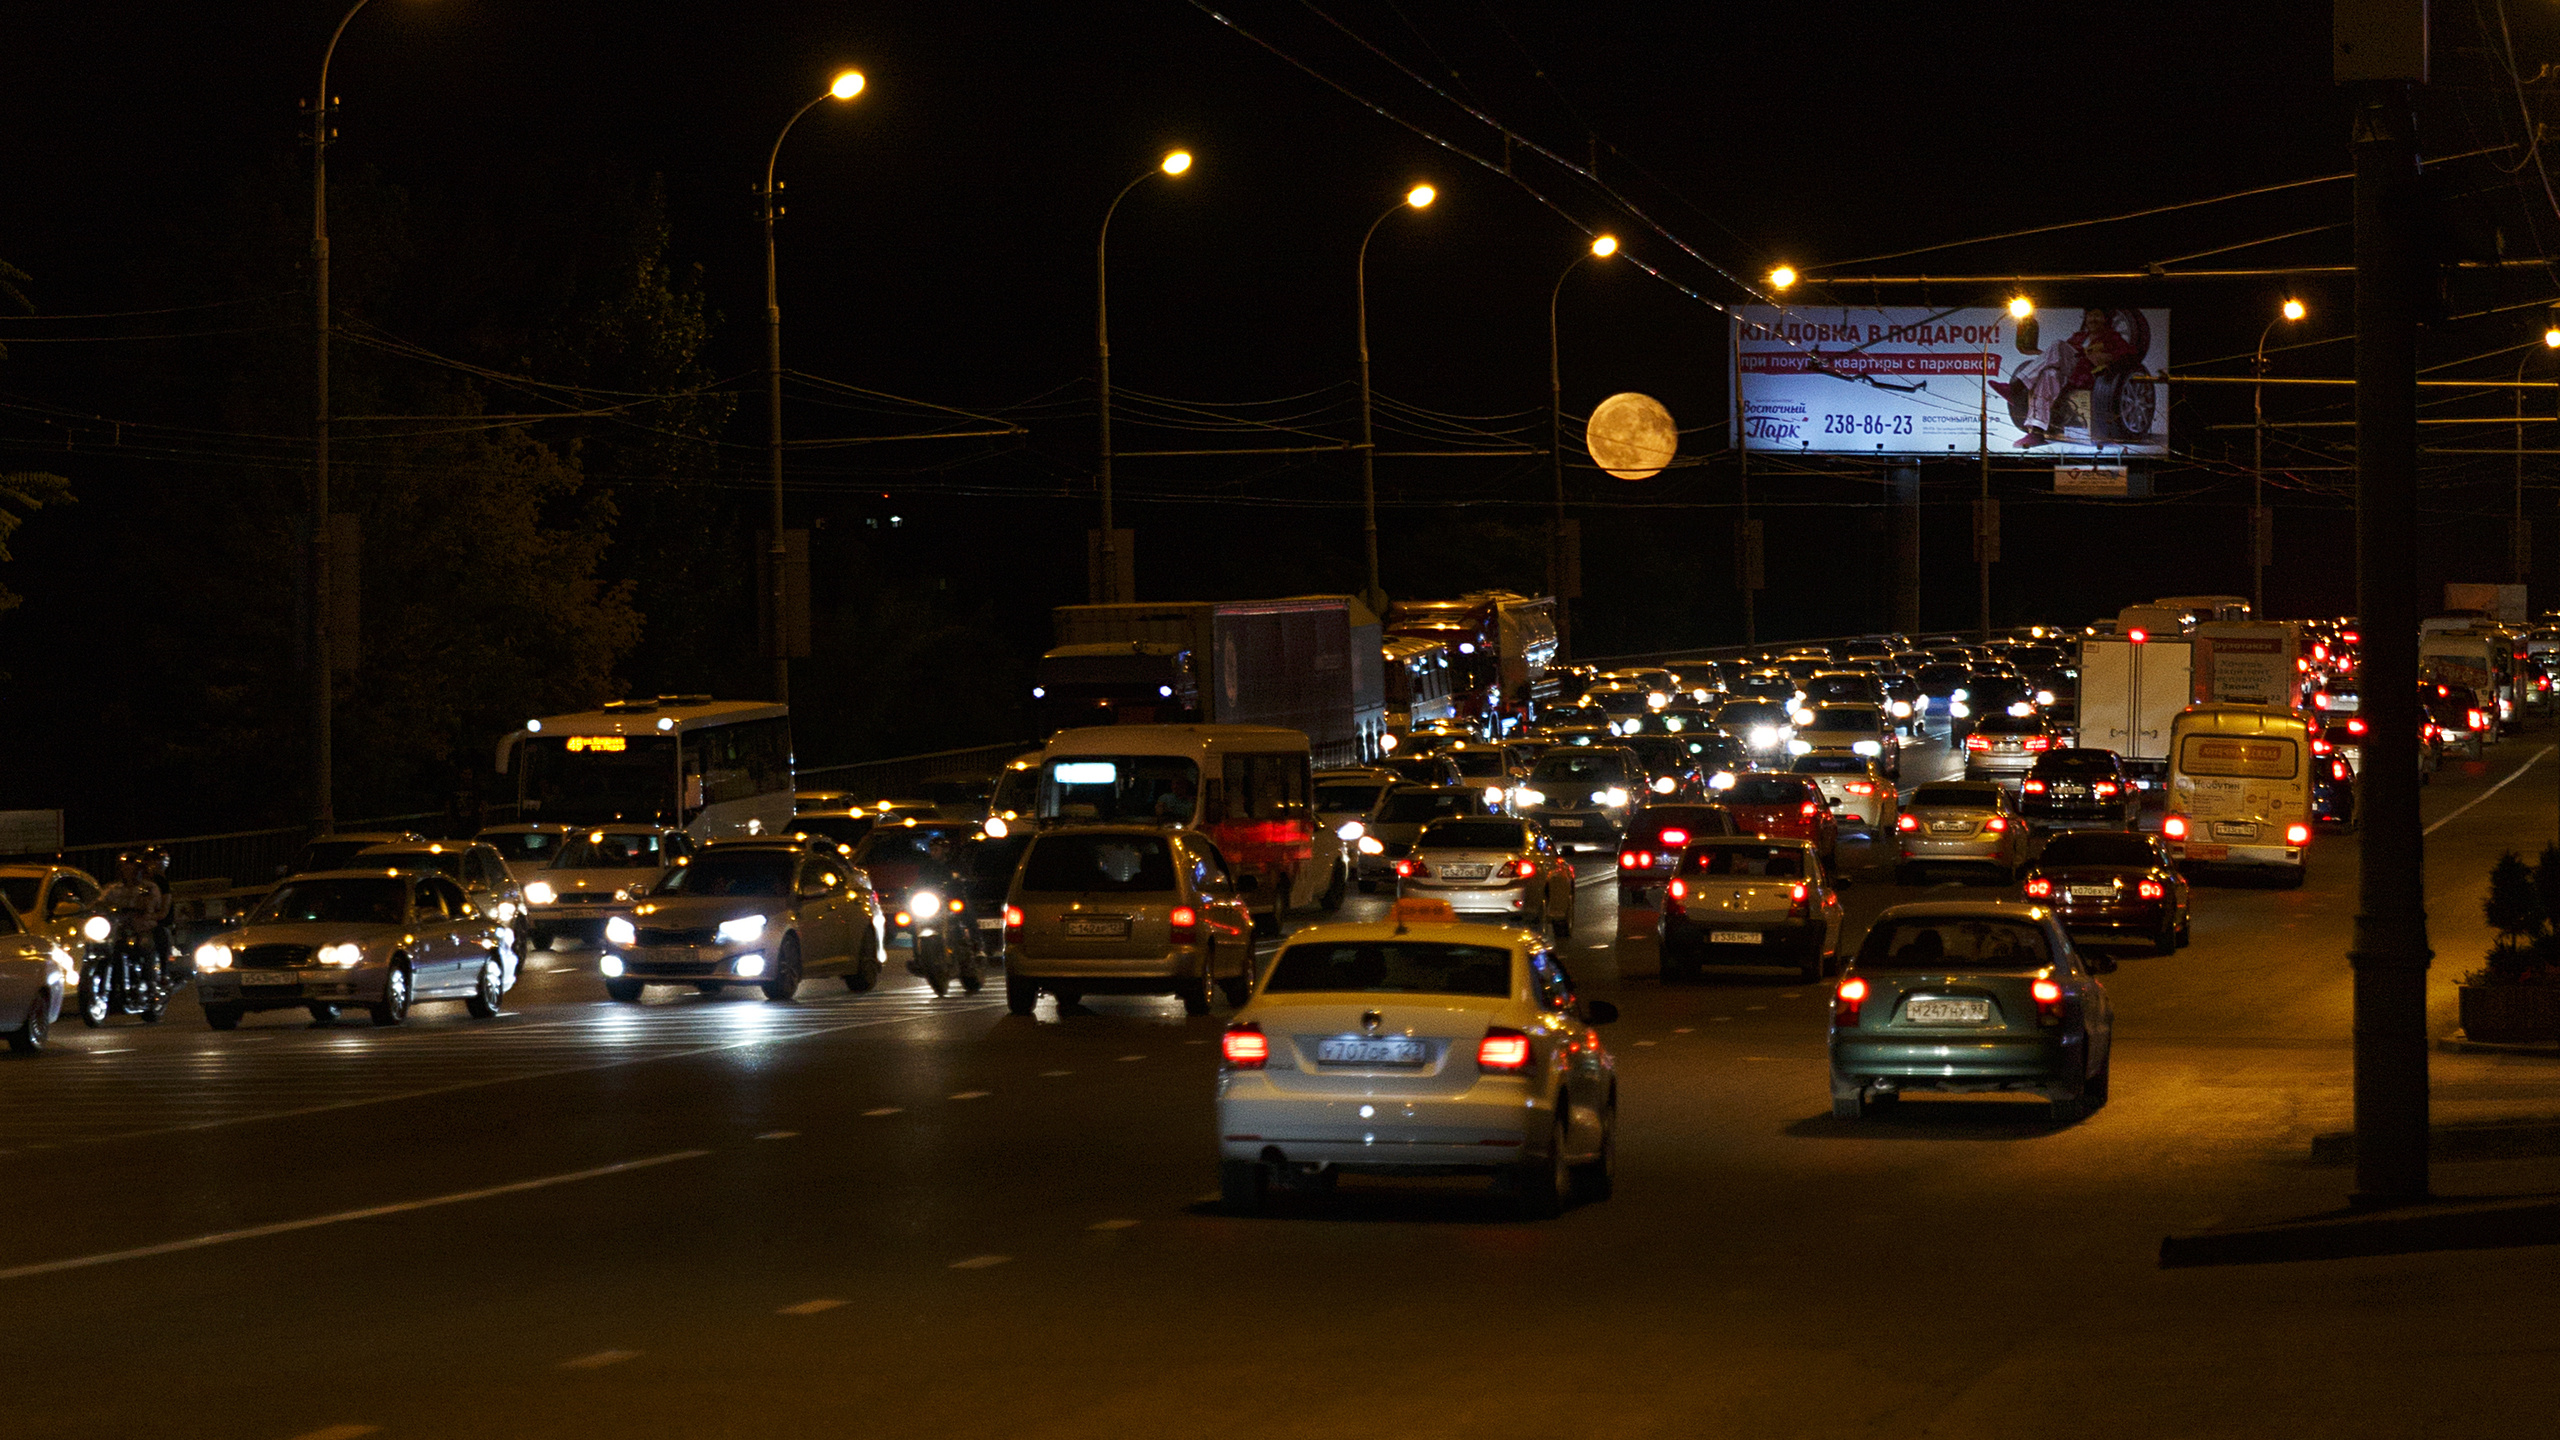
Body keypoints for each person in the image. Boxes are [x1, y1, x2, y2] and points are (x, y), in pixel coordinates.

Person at [1997, 308, 2140, 449]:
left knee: (2058, 346)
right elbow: (2057, 357)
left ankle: (2017, 386)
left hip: (2088, 375)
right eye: (2090, 316)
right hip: (2067, 374)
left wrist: (2106, 357)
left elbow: (2129, 355)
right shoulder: (2079, 337)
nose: (2092, 319)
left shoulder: (2113, 338)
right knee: (2049, 373)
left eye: (2097, 315)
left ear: (2105, 319)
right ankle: (2037, 432)